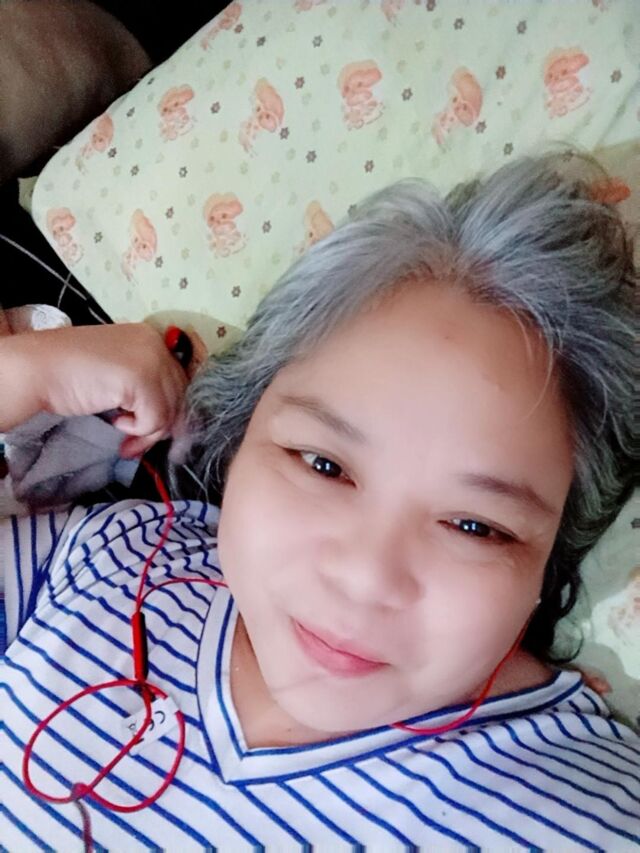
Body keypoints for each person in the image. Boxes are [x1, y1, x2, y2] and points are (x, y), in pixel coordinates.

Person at [1, 154, 639, 850]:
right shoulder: (118, 552)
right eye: (325, 465)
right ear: (242, 433)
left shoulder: (582, 812)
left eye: (474, 526)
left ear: (550, 559)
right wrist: (22, 377)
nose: (364, 577)